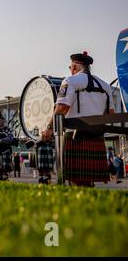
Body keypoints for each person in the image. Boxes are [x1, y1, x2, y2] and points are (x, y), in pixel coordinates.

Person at [42, 51, 114, 187]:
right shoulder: (105, 86)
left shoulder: (70, 81)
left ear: (75, 67)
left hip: (75, 135)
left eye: (70, 67)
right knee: (88, 179)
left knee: (75, 180)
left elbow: (62, 108)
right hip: (97, 136)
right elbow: (110, 113)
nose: (70, 70)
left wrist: (49, 128)